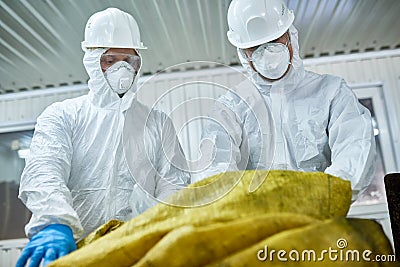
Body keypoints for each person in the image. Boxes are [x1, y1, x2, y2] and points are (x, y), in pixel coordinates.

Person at [16, 7, 190, 267]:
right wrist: (54, 223)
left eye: (129, 61)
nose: (122, 70)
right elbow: (45, 170)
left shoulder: (157, 123)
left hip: (140, 253)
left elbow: (174, 186)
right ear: (92, 61)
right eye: (110, 60)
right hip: (74, 251)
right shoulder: (64, 115)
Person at [198, 0, 375, 198]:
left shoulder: (332, 92)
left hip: (322, 215)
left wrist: (323, 197)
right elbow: (214, 171)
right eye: (255, 47)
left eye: (275, 40)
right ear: (243, 53)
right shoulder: (230, 108)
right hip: (257, 223)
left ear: (291, 35)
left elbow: (355, 150)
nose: (267, 54)